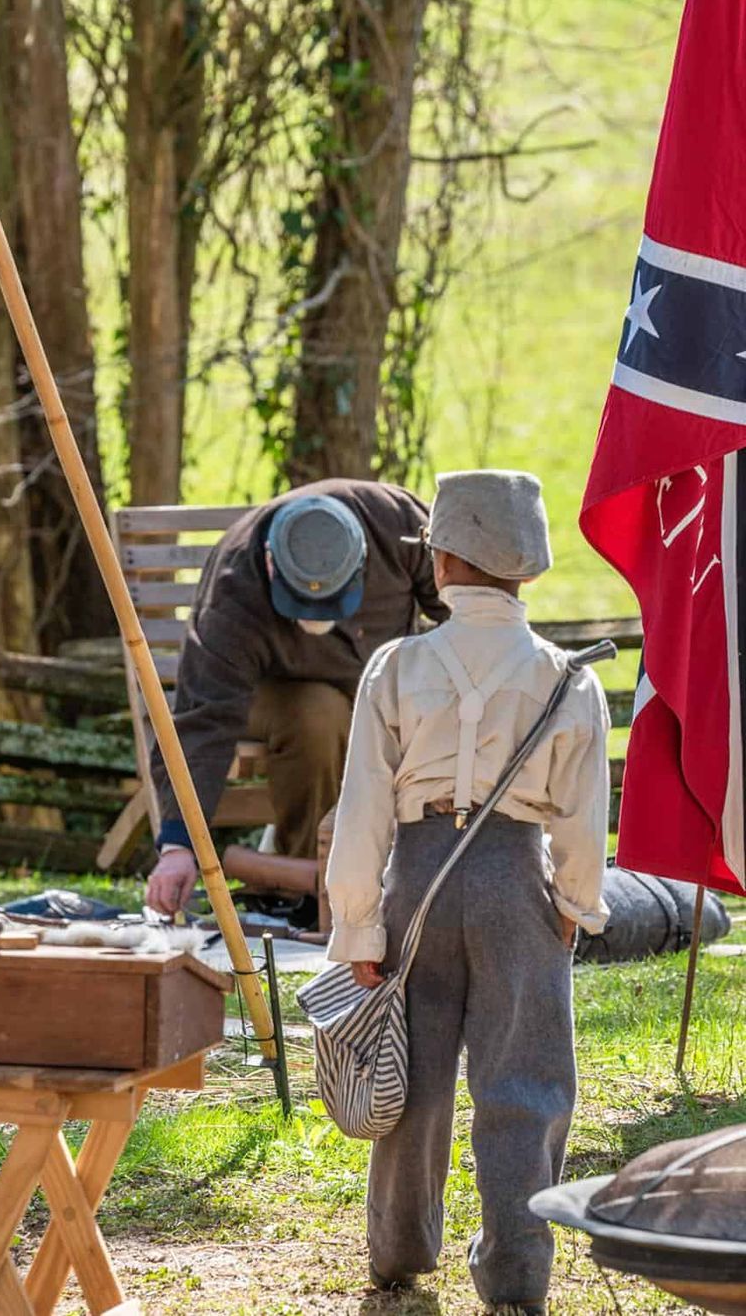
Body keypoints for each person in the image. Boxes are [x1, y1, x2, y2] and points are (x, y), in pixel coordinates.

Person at [325, 471, 610, 1315]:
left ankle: (400, 1247)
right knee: (523, 1080)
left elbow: (364, 808)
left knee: (410, 1077)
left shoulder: (396, 664)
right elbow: (584, 817)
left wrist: (359, 930)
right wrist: (574, 905)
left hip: (417, 875)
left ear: (443, 560)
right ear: (526, 568)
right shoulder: (569, 678)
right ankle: (517, 1272)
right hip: (517, 878)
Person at [146, 479, 448, 919]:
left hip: (385, 685)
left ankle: (424, 885)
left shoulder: (400, 525)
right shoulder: (233, 592)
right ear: (270, 565)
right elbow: (204, 718)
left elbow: (465, 606)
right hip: (282, 695)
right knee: (315, 715)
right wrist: (179, 844)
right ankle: (309, 889)